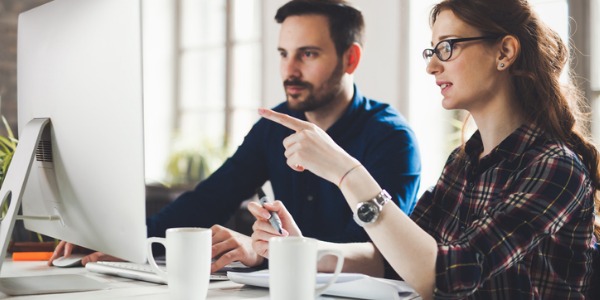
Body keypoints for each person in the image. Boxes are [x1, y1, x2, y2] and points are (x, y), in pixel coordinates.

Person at [249, 0, 599, 299]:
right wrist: (300, 249)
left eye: (447, 47)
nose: (432, 66)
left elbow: (448, 277)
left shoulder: (556, 167)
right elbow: (395, 257)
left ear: (504, 52)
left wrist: (347, 172)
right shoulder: (464, 162)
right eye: (432, 51)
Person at [48, 0, 421, 277]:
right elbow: (210, 198)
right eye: (283, 54)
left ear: (350, 59)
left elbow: (379, 255)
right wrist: (127, 245)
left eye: (307, 54)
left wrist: (267, 251)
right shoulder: (276, 125)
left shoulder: (392, 139)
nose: (289, 70)